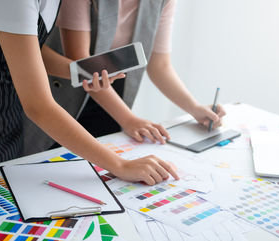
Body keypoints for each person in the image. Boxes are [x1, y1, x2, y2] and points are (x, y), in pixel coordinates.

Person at [0, 0, 179, 186]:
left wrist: (83, 71)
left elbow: (32, 51)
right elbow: (39, 106)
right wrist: (120, 165)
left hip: (6, 113)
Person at [22, 0, 226, 155]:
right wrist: (128, 119)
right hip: (65, 94)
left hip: (113, 95)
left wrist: (194, 108)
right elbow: (82, 64)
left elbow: (160, 65)